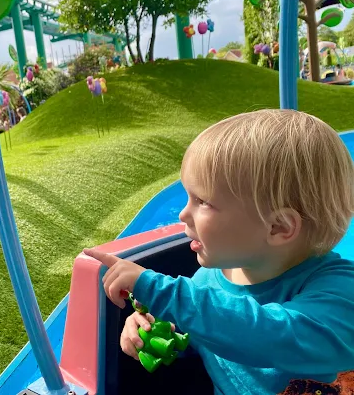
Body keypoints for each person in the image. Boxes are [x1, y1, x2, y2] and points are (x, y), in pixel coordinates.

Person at [85, 109, 354, 394]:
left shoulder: (339, 291)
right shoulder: (206, 282)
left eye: (203, 202)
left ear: (278, 227)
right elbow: (205, 327)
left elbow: (270, 334)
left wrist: (161, 292)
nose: (183, 214)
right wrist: (151, 331)